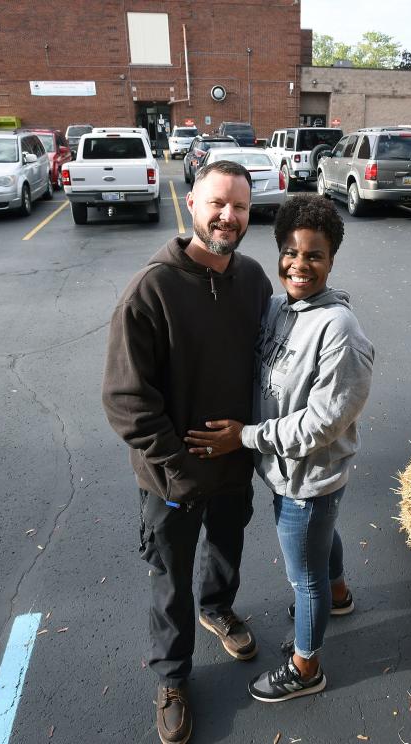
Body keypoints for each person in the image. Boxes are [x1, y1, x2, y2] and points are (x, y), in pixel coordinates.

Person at [101, 159, 272, 744]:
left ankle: (218, 607)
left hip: (233, 461)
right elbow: (126, 399)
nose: (229, 216)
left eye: (241, 207)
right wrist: (175, 466)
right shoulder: (152, 289)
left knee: (226, 546)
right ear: (191, 204)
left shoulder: (252, 280)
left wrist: (252, 441)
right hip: (170, 477)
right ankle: (172, 676)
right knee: (170, 578)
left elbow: (268, 365)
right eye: (218, 203)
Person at [186, 194, 374, 702]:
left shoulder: (340, 333)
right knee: (321, 542)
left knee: (303, 577)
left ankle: (306, 666)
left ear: (332, 259)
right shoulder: (278, 309)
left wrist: (243, 436)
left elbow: (319, 426)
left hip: (308, 477)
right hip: (284, 472)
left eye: (314, 255)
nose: (299, 265)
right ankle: (337, 595)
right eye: (290, 252)